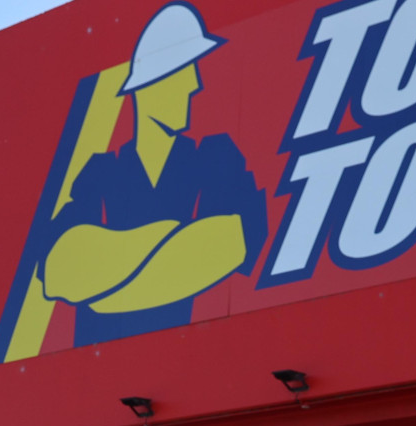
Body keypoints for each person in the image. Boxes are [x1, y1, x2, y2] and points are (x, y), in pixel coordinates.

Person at [39, 1, 268, 344]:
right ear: (148, 86)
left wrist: (104, 288)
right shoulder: (101, 171)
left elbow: (235, 240)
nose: (195, 83)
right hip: (94, 378)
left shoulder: (215, 156)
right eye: (183, 69)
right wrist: (170, 236)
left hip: (189, 368)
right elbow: (57, 269)